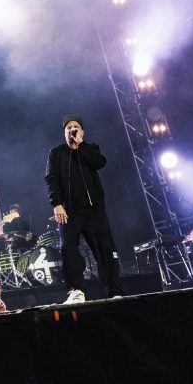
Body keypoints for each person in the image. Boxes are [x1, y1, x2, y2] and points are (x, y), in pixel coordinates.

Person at [45, 116, 124, 304]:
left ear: (82, 132)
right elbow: (51, 179)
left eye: (76, 127)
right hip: (69, 211)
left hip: (94, 210)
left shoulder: (90, 149)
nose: (72, 129)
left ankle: (114, 290)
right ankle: (76, 291)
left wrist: (82, 145)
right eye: (68, 128)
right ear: (64, 133)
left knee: (104, 248)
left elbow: (99, 163)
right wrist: (56, 204)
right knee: (68, 249)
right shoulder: (56, 153)